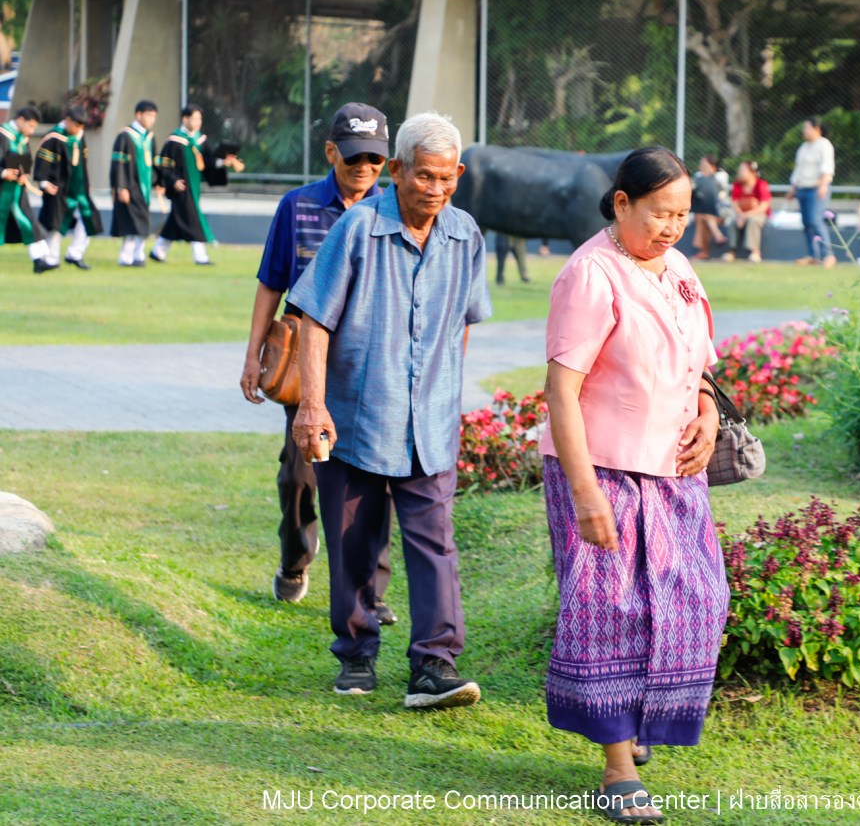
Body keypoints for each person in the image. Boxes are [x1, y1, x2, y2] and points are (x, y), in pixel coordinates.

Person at [541, 147, 727, 823]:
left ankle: (639, 720)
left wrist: (708, 417)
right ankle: (618, 766)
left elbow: (702, 365)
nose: (672, 227)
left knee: (698, 600)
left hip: (675, 472)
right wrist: (586, 493)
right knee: (611, 613)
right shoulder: (590, 274)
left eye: (681, 214)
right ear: (622, 204)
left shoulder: (678, 269)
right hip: (602, 469)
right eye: (659, 213)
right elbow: (562, 393)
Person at [288, 112, 491, 707]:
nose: (435, 189)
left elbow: (462, 325)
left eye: (447, 178)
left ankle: (435, 665)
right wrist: (312, 408)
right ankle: (356, 654)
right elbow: (314, 320)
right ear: (397, 170)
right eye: (424, 176)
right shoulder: (357, 229)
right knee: (355, 540)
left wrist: (448, 394)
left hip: (428, 426)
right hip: (355, 418)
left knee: (435, 544)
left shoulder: (466, 236)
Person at [240, 102, 398, 620]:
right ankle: (295, 560)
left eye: (375, 158)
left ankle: (372, 590)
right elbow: (272, 283)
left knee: (377, 478)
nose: (364, 168)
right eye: (354, 157)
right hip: (306, 365)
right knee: (299, 475)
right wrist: (251, 355)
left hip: (372, 366)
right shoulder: (298, 206)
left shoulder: (394, 210)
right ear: (331, 152)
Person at [152, 103, 244, 265]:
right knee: (193, 217)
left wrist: (224, 162)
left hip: (194, 186)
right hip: (181, 187)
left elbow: (208, 162)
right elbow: (164, 165)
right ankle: (200, 255)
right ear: (185, 119)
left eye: (199, 119)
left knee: (177, 218)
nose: (198, 122)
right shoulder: (174, 140)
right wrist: (173, 181)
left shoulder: (200, 140)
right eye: (194, 118)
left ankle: (158, 251)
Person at [34, 104, 103, 270]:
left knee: (88, 219)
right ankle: (51, 258)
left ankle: (75, 253)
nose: (79, 129)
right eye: (77, 125)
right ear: (68, 121)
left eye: (82, 126)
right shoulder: (54, 137)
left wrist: (86, 184)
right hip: (58, 189)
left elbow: (83, 163)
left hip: (78, 189)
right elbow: (42, 163)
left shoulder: (79, 136)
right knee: (55, 225)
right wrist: (44, 183)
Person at [0, 106, 57, 274]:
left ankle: (40, 260)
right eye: (30, 126)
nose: (31, 131)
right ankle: (41, 259)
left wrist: (23, 174)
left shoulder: (21, 139)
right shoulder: (2, 135)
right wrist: (3, 173)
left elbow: (25, 161)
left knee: (28, 222)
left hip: (16, 192)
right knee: (26, 221)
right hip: (2, 190)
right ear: (21, 120)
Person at [110, 100, 161, 267]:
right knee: (132, 224)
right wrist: (121, 187)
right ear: (138, 115)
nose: (151, 119)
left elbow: (154, 163)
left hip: (144, 188)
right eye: (149, 115)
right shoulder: (125, 136)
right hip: (130, 186)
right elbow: (118, 164)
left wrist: (158, 182)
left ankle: (138, 255)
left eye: (154, 116)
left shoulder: (150, 137)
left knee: (143, 223)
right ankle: (125, 257)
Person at [786, 117, 835, 268]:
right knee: (806, 223)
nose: (804, 131)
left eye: (807, 127)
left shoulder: (824, 145)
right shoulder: (803, 147)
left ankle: (828, 255)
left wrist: (823, 185)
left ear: (816, 129)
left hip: (817, 188)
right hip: (803, 189)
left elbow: (827, 167)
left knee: (816, 220)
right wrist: (793, 189)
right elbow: (798, 170)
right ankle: (812, 255)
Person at [722, 160, 770, 263]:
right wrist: (741, 215)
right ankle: (731, 251)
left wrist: (745, 216)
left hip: (757, 214)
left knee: (753, 221)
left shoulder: (761, 184)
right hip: (741, 214)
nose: (739, 173)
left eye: (742, 170)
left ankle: (755, 252)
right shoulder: (737, 185)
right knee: (732, 222)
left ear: (751, 172)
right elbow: (734, 203)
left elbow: (763, 206)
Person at [689, 154, 727, 260]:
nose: (701, 166)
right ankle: (717, 236)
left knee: (703, 216)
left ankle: (704, 252)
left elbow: (720, 198)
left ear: (713, 166)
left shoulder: (718, 178)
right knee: (702, 216)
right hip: (703, 213)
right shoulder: (698, 178)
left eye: (704, 164)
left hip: (719, 213)